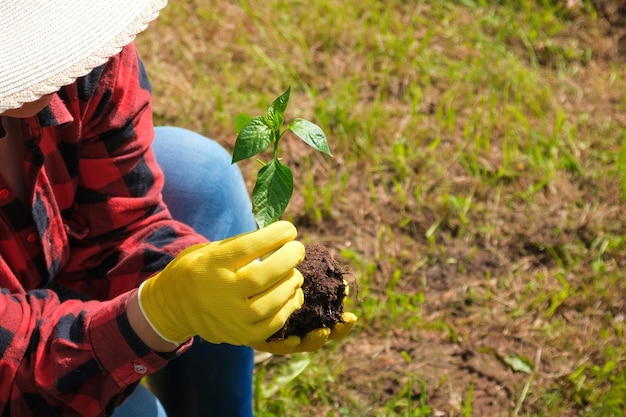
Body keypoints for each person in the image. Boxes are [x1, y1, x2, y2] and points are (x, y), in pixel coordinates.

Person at [0, 1, 356, 417]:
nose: (54, 59)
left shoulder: (81, 58)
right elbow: (14, 371)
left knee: (201, 175)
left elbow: (123, 225)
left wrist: (226, 285)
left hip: (49, 269)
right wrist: (156, 315)